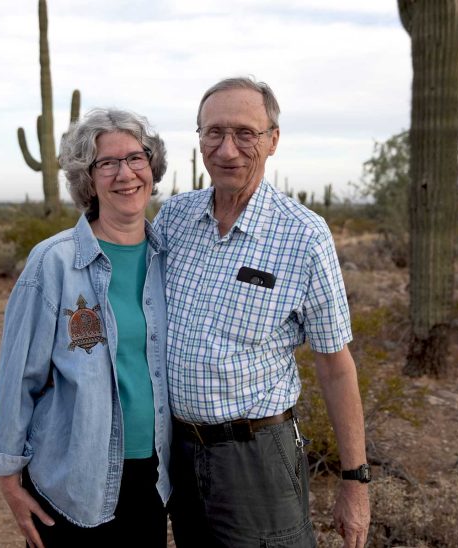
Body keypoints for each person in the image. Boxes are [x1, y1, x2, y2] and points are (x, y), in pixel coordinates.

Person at [155, 77, 371, 548]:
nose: (227, 149)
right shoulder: (172, 219)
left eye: (245, 133)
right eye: (213, 133)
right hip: (176, 449)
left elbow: (335, 366)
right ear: (199, 140)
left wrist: (355, 479)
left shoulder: (305, 237)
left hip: (256, 455)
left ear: (273, 140)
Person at [0, 108, 171, 548]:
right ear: (88, 178)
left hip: (155, 476)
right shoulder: (53, 262)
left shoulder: (171, 259)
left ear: (152, 165)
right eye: (106, 163)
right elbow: (18, 379)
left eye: (135, 158)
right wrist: (8, 477)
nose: (125, 174)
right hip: (73, 479)